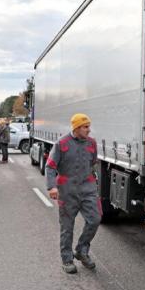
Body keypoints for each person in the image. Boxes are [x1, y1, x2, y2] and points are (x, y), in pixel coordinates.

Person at [46, 113, 101, 274]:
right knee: (67, 227)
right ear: (76, 128)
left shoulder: (92, 143)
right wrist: (52, 187)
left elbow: (93, 162)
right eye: (85, 127)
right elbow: (50, 166)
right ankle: (67, 259)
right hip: (67, 191)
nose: (89, 130)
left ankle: (82, 250)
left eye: (89, 126)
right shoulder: (61, 144)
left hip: (87, 189)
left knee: (95, 219)